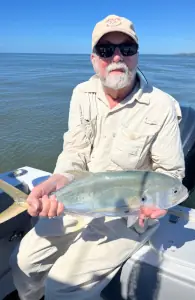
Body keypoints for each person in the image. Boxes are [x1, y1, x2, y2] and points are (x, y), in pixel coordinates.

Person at [10, 14, 185, 300]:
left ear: (137, 56)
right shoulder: (81, 94)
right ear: (94, 58)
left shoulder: (161, 106)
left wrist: (154, 206)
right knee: (24, 263)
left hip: (128, 213)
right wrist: (57, 181)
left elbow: (171, 173)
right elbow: (75, 153)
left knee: (63, 285)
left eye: (126, 49)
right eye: (106, 50)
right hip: (80, 195)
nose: (117, 57)